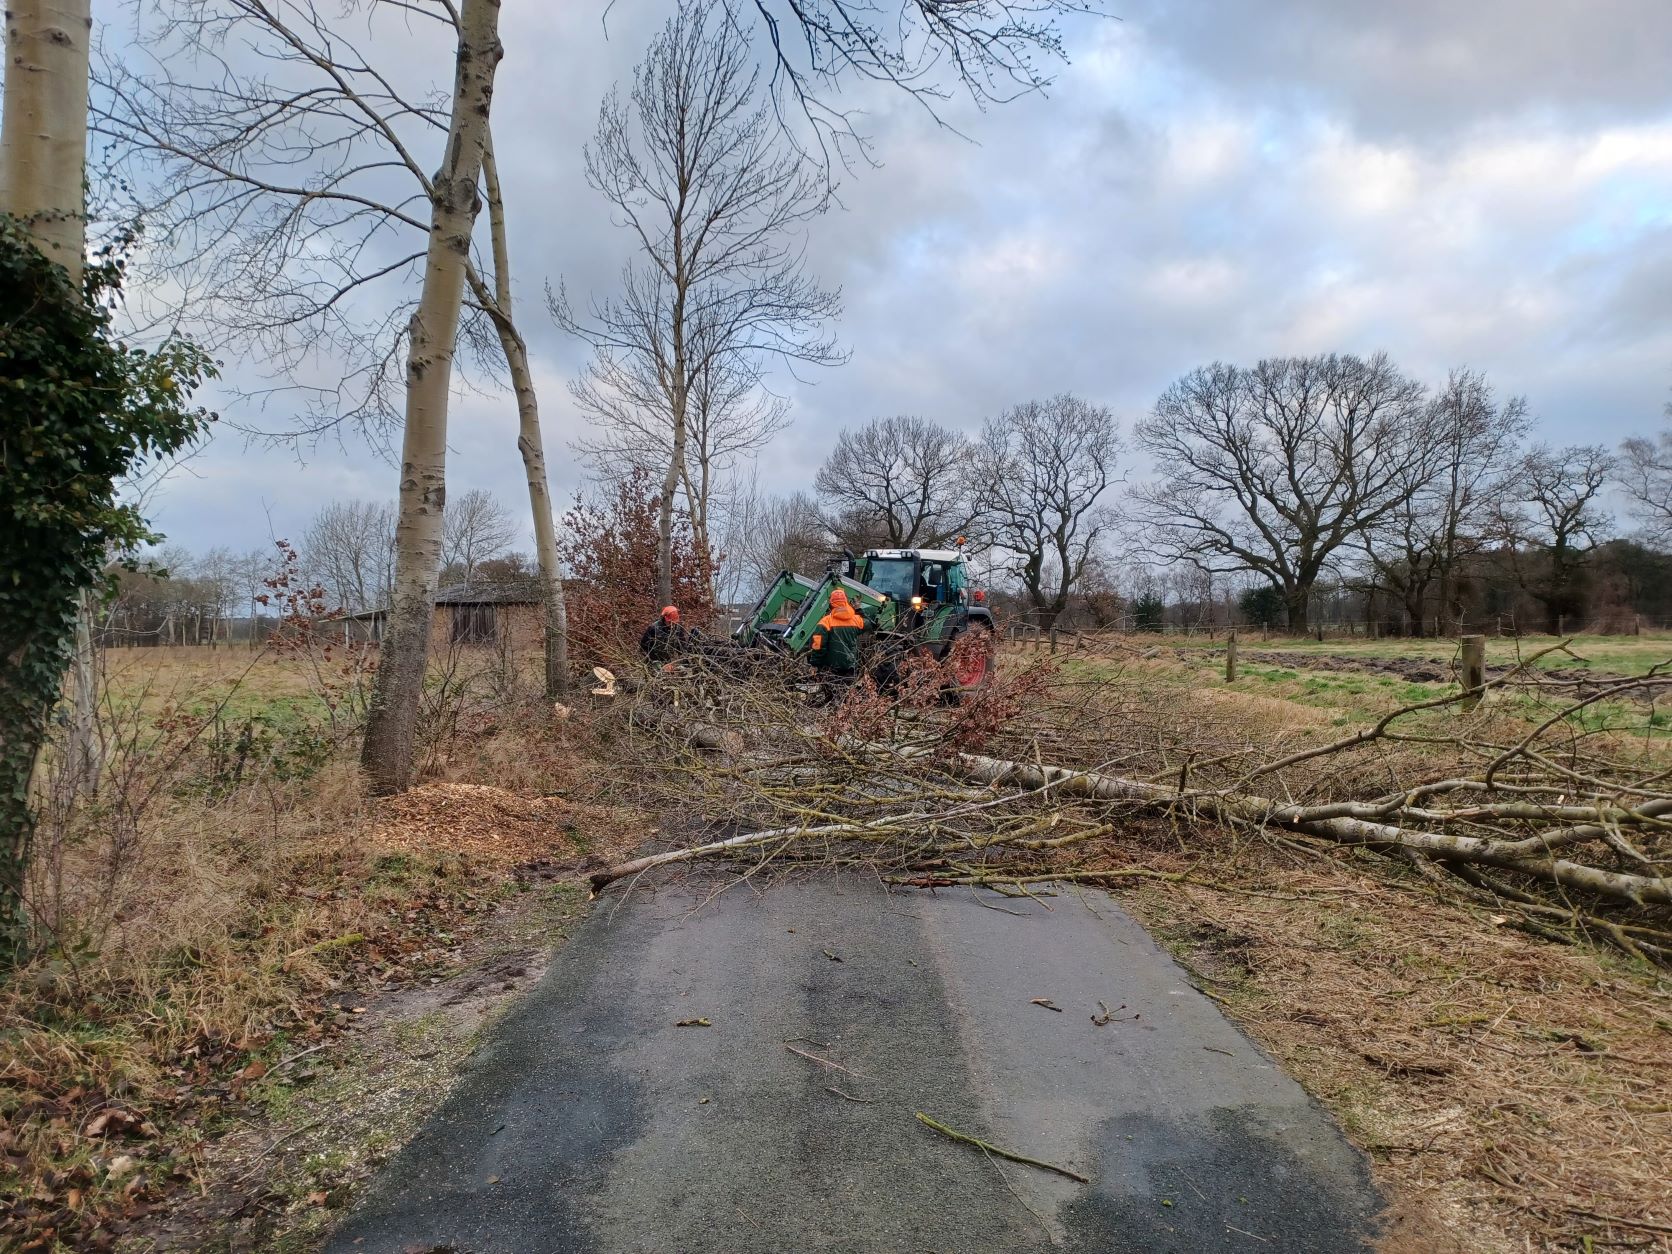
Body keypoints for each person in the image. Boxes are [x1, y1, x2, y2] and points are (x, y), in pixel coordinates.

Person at [808, 588, 867, 681]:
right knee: (847, 694)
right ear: (846, 602)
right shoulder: (856, 620)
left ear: (831, 604)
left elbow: (818, 646)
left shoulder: (825, 622)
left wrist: (815, 664)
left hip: (830, 670)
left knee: (831, 695)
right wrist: (859, 609)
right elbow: (869, 625)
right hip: (850, 668)